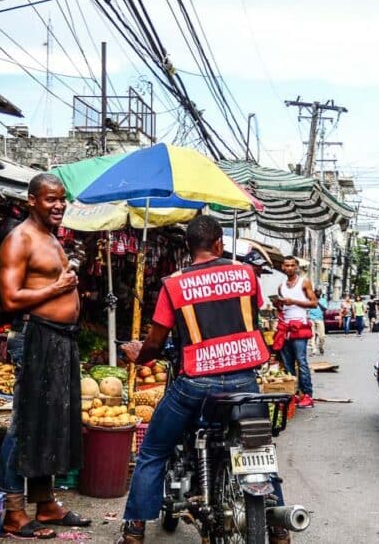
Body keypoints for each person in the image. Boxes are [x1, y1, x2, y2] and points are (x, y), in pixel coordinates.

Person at [117, 216, 293, 544]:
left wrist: (136, 354)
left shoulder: (173, 284)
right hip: (244, 383)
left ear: (188, 248)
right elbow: (248, 317)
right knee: (258, 448)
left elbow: (155, 344)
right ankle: (280, 528)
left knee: (153, 450)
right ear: (218, 244)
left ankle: (135, 529)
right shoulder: (246, 275)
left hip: (194, 386)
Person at [0, 175, 90, 537]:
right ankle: (13, 510)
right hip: (35, 337)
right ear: (32, 199)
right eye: (51, 199)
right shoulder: (20, 238)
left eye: (62, 199)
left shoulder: (52, 238)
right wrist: (58, 287)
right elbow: (10, 299)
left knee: (51, 422)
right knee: (24, 424)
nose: (59, 205)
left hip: (60, 338)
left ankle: (46, 502)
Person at [273, 257, 316, 407]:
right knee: (288, 363)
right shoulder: (281, 286)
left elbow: (314, 303)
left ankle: (308, 395)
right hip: (285, 327)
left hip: (300, 328)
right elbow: (282, 309)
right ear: (283, 267)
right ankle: (295, 394)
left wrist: (294, 302)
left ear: (296, 267)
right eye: (287, 265)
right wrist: (278, 305)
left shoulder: (304, 282)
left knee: (302, 362)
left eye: (292, 265)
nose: (290, 268)